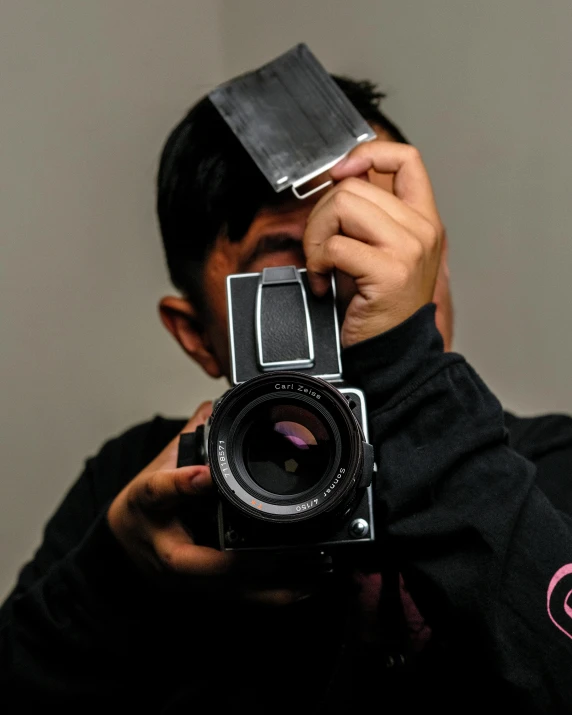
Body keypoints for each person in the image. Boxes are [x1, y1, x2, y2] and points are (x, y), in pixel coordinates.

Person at [1, 70, 572, 715]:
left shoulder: (544, 470)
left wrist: (415, 388)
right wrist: (117, 577)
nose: (360, 280)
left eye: (378, 236)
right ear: (199, 336)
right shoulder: (144, 493)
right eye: (288, 272)